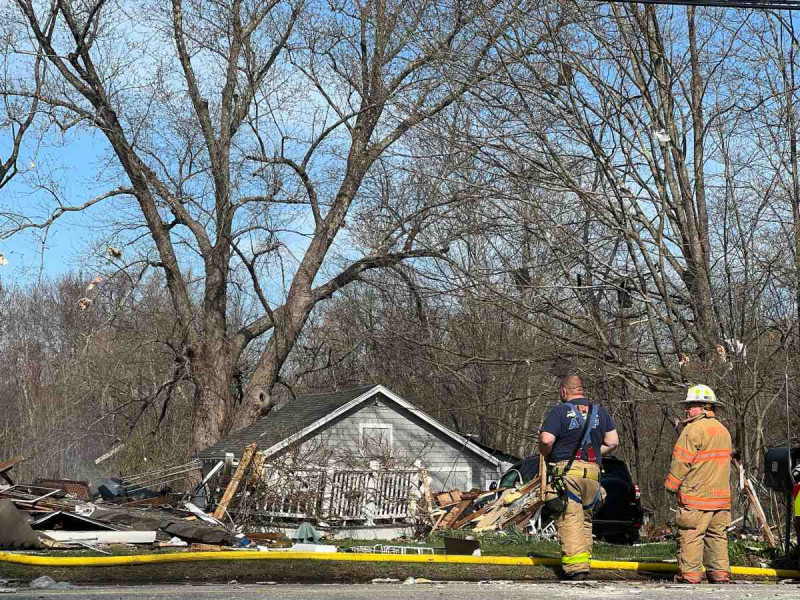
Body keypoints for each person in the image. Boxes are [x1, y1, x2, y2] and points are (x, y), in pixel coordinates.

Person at [539, 375, 619, 580]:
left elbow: (546, 439)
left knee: (570, 520)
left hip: (568, 474)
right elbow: (613, 442)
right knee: (585, 521)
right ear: (581, 390)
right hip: (593, 475)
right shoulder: (599, 411)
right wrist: (594, 453)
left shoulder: (559, 411)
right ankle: (585, 561)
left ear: (564, 391)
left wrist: (547, 452)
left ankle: (576, 569)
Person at [664, 384, 732, 584]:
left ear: (704, 407)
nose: (687, 409)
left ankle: (690, 575)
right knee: (717, 537)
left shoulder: (692, 430)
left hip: (696, 496)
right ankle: (719, 574)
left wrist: (671, 486)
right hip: (721, 498)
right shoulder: (723, 430)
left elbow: (680, 462)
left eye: (691, 405)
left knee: (691, 534)